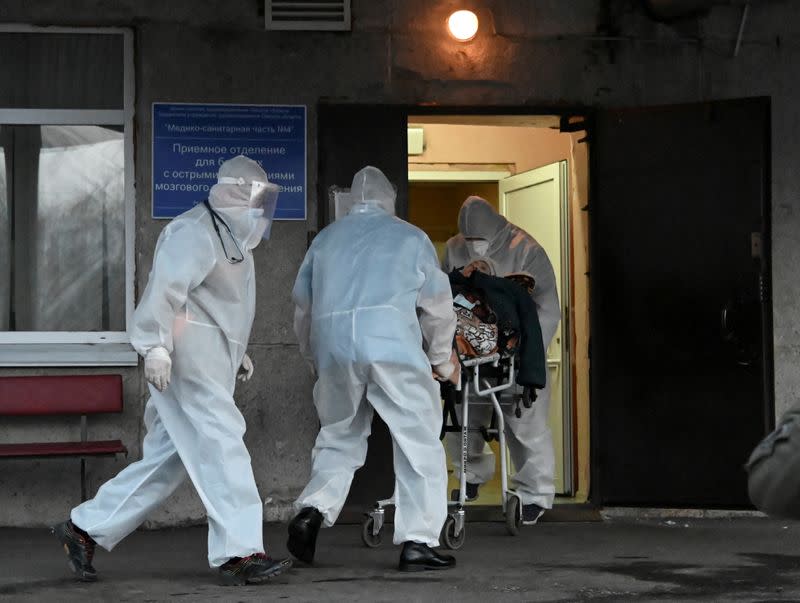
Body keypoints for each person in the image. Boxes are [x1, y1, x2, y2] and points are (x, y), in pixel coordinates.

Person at [52, 155, 292, 586]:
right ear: (237, 192)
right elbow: (163, 293)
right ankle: (240, 552)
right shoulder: (194, 231)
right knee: (223, 440)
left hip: (209, 358)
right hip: (185, 359)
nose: (260, 212)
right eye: (256, 198)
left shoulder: (233, 242)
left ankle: (83, 528)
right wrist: (155, 347)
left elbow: (221, 308)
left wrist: (237, 353)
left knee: (167, 461)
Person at [287, 166, 458, 572]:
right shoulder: (410, 237)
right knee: (417, 441)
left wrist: (315, 359)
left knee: (338, 434)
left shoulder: (326, 241)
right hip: (391, 346)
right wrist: (440, 360)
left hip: (334, 347)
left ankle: (311, 510)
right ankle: (418, 540)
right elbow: (437, 306)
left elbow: (303, 308)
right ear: (389, 199)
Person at [443, 195, 560, 525]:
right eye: (469, 242)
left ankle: (535, 493)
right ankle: (470, 476)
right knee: (463, 417)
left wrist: (527, 350)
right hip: (471, 349)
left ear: (496, 233)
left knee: (525, 423)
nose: (474, 248)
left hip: (516, 350)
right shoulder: (454, 248)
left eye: (480, 241)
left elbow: (547, 307)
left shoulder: (526, 250)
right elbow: (441, 296)